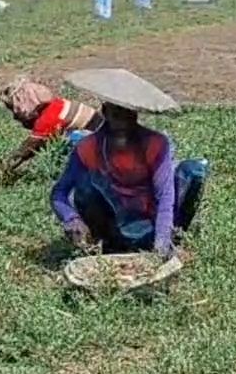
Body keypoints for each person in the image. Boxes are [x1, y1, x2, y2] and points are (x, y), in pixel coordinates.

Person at [51, 100, 207, 258]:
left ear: (135, 113)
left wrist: (162, 242)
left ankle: (174, 236)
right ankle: (107, 244)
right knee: (85, 186)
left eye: (128, 111)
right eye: (116, 111)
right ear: (105, 111)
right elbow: (59, 192)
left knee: (193, 171)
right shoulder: (88, 147)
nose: (122, 117)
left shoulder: (155, 143)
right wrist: (71, 218)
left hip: (149, 223)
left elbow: (165, 195)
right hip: (113, 224)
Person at [0, 76, 101, 182]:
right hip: (101, 134)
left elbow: (28, 149)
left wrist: (2, 168)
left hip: (99, 143)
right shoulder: (58, 104)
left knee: (69, 141)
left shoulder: (47, 119)